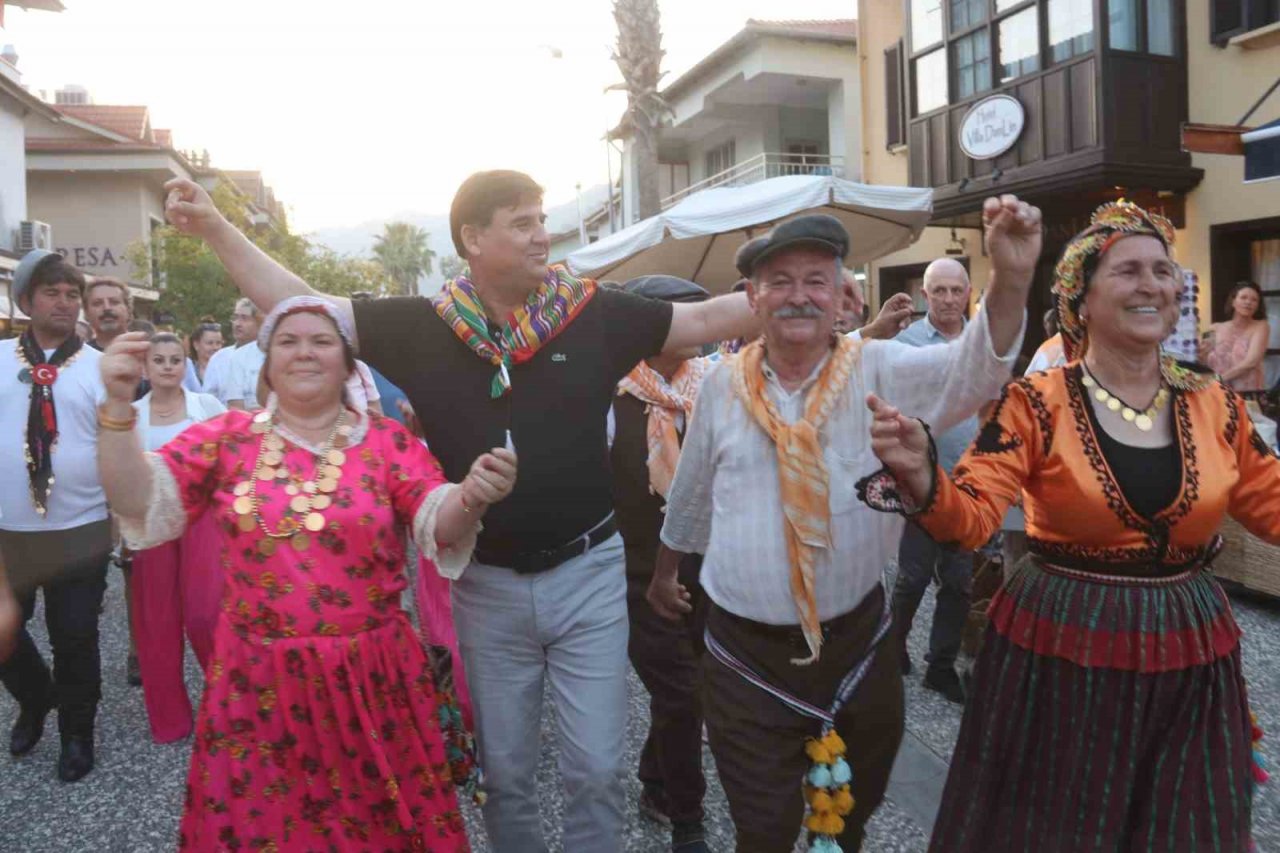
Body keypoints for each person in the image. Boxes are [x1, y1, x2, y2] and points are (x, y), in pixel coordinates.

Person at [161, 168, 758, 852]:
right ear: (473, 238)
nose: (543, 235)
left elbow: (703, 319)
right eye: (523, 222)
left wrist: (793, 295)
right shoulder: (424, 326)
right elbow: (303, 304)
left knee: (597, 770)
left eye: (542, 219)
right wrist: (215, 226)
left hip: (589, 573)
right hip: (487, 585)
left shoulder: (593, 312)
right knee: (505, 777)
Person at [862, 201, 1280, 852]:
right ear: (1081, 299)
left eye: (1162, 271)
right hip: (1064, 641)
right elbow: (970, 517)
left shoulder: (1213, 401)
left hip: (1189, 643)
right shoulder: (1035, 402)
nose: (1151, 284)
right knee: (1063, 824)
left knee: (1187, 824)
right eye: (1128, 270)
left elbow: (1270, 503)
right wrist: (923, 476)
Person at [650, 198, 1040, 852]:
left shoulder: (878, 368)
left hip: (859, 645)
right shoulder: (719, 385)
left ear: (841, 296)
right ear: (752, 297)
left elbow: (976, 369)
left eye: (815, 280)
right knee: (764, 830)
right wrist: (665, 573)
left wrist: (1012, 276)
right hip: (745, 655)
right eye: (780, 281)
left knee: (852, 816)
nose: (799, 295)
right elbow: (690, 492)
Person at [99, 296, 517, 849]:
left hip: (371, 679)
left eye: (321, 341)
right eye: (287, 341)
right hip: (256, 683)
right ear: (267, 364)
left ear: (347, 365)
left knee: (378, 830)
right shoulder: (227, 437)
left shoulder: (386, 441)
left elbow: (437, 522)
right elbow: (137, 499)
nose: (304, 352)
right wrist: (116, 407)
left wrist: (472, 496)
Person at [611, 275, 714, 853]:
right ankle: (687, 819)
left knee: (693, 686)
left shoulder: (710, 386)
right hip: (635, 574)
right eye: (689, 315)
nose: (705, 325)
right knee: (682, 691)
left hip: (704, 566)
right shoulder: (610, 396)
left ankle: (656, 780)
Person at [0, 249, 111, 782]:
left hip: (81, 528)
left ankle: (76, 732)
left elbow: (119, 446)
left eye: (72, 294)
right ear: (25, 300)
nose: (65, 303)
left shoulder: (101, 367)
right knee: (2, 632)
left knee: (75, 636)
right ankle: (34, 694)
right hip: (8, 532)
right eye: (52, 293)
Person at [128, 333, 226, 742]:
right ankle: (170, 719)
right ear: (145, 367)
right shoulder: (130, 415)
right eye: (159, 360)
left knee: (206, 613)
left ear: (185, 365)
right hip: (152, 521)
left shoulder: (207, 406)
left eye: (175, 359)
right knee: (156, 622)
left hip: (203, 519)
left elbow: (234, 457)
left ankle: (228, 703)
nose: (168, 366)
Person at [889, 258, 979, 703]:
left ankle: (940, 666)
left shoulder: (983, 344)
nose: (947, 299)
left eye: (955, 290)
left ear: (968, 294)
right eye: (939, 291)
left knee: (959, 583)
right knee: (913, 577)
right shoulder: (904, 344)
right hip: (919, 484)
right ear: (924, 295)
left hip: (969, 484)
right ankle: (892, 649)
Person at [1205, 280, 1269, 391]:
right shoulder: (1214, 328)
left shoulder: (1261, 326)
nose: (1248, 302)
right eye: (1243, 297)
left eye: (1254, 300)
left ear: (1257, 306)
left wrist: (1218, 379)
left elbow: (1251, 361)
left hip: (1247, 393)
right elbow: (1203, 360)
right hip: (1216, 392)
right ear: (1233, 302)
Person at [201, 298, 260, 404]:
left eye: (244, 318)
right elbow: (207, 401)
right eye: (235, 318)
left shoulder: (268, 357)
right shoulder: (219, 358)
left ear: (259, 322)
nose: (237, 324)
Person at [83, 277, 132, 352]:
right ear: (86, 313)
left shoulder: (147, 351)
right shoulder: (79, 356)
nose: (107, 308)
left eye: (114, 302)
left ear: (128, 309)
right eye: (97, 303)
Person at [1026, 308, 1065, 374]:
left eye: (1047, 323)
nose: (1046, 327)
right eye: (1045, 323)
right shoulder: (1046, 347)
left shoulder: (1047, 347)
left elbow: (1029, 375)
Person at [188, 319, 224, 388]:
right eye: (210, 343)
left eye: (218, 343)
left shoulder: (228, 370)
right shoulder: (187, 370)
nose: (215, 347)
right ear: (196, 345)